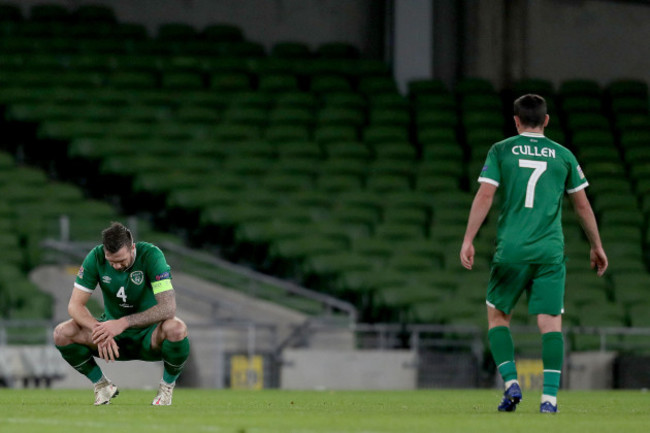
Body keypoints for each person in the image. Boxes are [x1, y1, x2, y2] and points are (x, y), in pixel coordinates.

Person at [460, 94, 608, 413]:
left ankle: (512, 383)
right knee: (550, 323)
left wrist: (468, 238)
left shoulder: (501, 150)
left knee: (498, 316)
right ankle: (549, 399)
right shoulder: (564, 155)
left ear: (516, 121)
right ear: (546, 120)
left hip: (512, 249)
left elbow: (486, 194)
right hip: (549, 252)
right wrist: (596, 245)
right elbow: (581, 204)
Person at [53, 222, 190, 406]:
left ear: (132, 247)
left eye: (121, 260)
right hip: (112, 338)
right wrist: (98, 329)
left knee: (177, 328)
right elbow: (75, 305)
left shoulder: (151, 255)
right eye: (112, 261)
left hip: (149, 336)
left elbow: (168, 308)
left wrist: (123, 322)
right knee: (62, 333)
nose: (116, 266)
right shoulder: (96, 257)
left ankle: (166, 389)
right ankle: (102, 385)